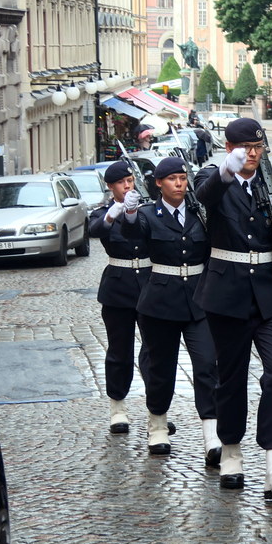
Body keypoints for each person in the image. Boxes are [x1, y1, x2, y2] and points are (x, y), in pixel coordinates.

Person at [194, 117, 272, 500]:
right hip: (227, 293)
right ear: (229, 148)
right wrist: (226, 171)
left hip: (269, 293)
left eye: (258, 148)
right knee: (231, 377)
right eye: (245, 148)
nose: (253, 154)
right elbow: (203, 197)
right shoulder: (215, 179)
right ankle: (231, 453)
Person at [112, 157, 220, 460]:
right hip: (160, 302)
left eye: (183, 178)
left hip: (198, 301)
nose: (179, 184)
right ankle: (158, 425)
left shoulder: (199, 212)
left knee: (206, 365)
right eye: (172, 179)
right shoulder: (149, 213)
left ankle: (211, 434)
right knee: (161, 368)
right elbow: (133, 233)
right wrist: (129, 213)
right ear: (159, 183)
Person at [86, 162, 155, 437]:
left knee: (154, 350)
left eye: (130, 180)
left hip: (150, 284)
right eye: (121, 182)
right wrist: (112, 215)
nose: (127, 186)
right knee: (119, 350)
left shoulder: (147, 210)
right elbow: (95, 230)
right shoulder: (102, 213)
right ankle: (118, 408)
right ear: (110, 186)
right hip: (118, 287)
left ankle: (156, 409)